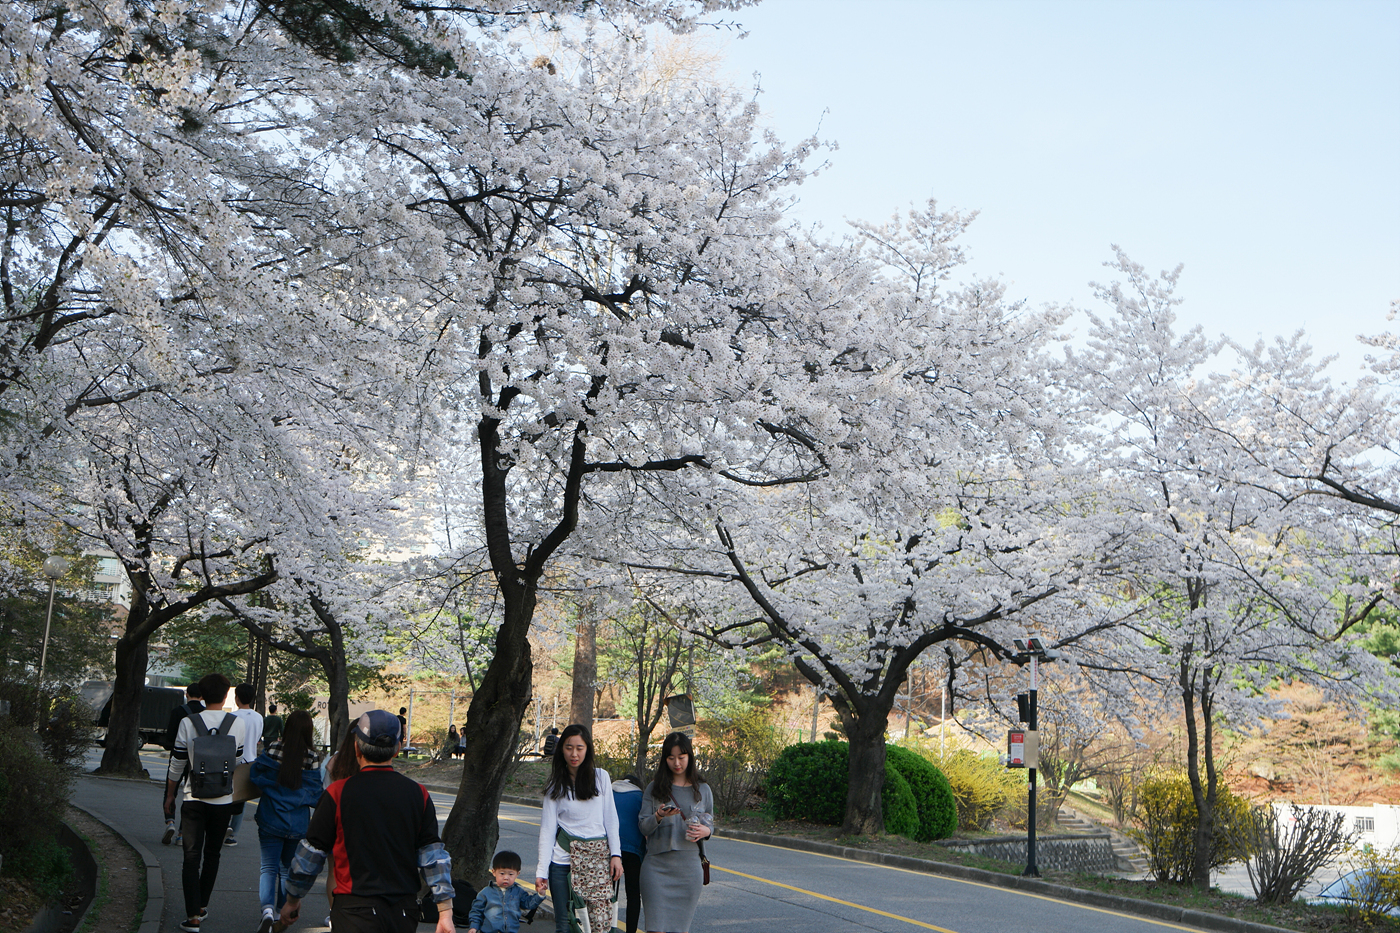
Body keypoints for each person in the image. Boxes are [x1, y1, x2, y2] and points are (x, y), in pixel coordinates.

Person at [281, 710, 453, 933]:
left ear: (356, 748)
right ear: (398, 748)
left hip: (353, 912)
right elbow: (433, 855)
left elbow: (310, 854)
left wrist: (293, 899)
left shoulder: (337, 793)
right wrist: (445, 911)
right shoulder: (418, 794)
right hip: (402, 912)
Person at [164, 673, 250, 933]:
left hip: (193, 798)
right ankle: (202, 906)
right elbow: (236, 761)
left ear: (201, 695)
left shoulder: (188, 722)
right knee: (213, 854)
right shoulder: (237, 724)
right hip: (223, 800)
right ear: (226, 696)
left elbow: (177, 762)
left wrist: (170, 794)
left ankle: (192, 917)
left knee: (191, 857)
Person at [535, 724, 622, 933]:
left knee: (597, 924)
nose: (574, 754)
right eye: (568, 748)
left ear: (587, 749)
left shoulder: (601, 777)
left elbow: (611, 819)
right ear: (561, 750)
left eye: (579, 748)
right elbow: (547, 830)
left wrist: (616, 855)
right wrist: (541, 871)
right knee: (565, 925)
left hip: (597, 861)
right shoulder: (555, 786)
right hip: (562, 863)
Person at [250, 710, 323, 933]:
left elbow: (256, 774)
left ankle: (266, 911)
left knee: (268, 867)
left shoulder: (273, 748)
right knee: (286, 870)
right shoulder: (312, 757)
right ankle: (281, 913)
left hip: (271, 817)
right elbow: (315, 792)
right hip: (297, 823)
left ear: (287, 727)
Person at [638, 732, 713, 933]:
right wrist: (659, 816)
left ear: (690, 756)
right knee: (655, 929)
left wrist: (706, 831)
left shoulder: (703, 789)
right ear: (665, 759)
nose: (677, 763)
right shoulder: (654, 788)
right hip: (656, 868)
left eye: (681, 757)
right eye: (671, 758)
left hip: (689, 869)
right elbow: (643, 826)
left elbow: (710, 822)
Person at [320, 729, 362, 923]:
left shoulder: (335, 760)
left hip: (335, 822)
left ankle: (334, 914)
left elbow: (325, 791)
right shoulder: (366, 762)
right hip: (360, 825)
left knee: (333, 872)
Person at [162, 681, 204, 845]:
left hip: (178, 756)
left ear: (187, 694)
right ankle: (182, 832)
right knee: (190, 795)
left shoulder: (177, 711)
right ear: (202, 697)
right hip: (197, 760)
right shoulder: (204, 714)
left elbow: (169, 739)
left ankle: (170, 821)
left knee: (170, 791)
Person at [464, 850, 543, 933]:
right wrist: (474, 927)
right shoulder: (486, 892)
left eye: (511, 874)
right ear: (494, 872)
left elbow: (528, 904)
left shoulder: (518, 892)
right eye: (502, 873)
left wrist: (540, 895)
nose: (506, 877)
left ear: (517, 874)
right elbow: (476, 911)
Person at [226, 683, 264, 847]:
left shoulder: (231, 717)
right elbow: (257, 738)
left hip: (233, 761)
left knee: (226, 796)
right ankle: (232, 834)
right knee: (241, 799)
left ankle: (223, 827)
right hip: (250, 761)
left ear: (237, 698)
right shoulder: (258, 718)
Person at [611, 773, 646, 933]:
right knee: (633, 895)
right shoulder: (641, 797)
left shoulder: (609, 792)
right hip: (633, 850)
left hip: (611, 849)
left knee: (607, 892)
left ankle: (604, 927)